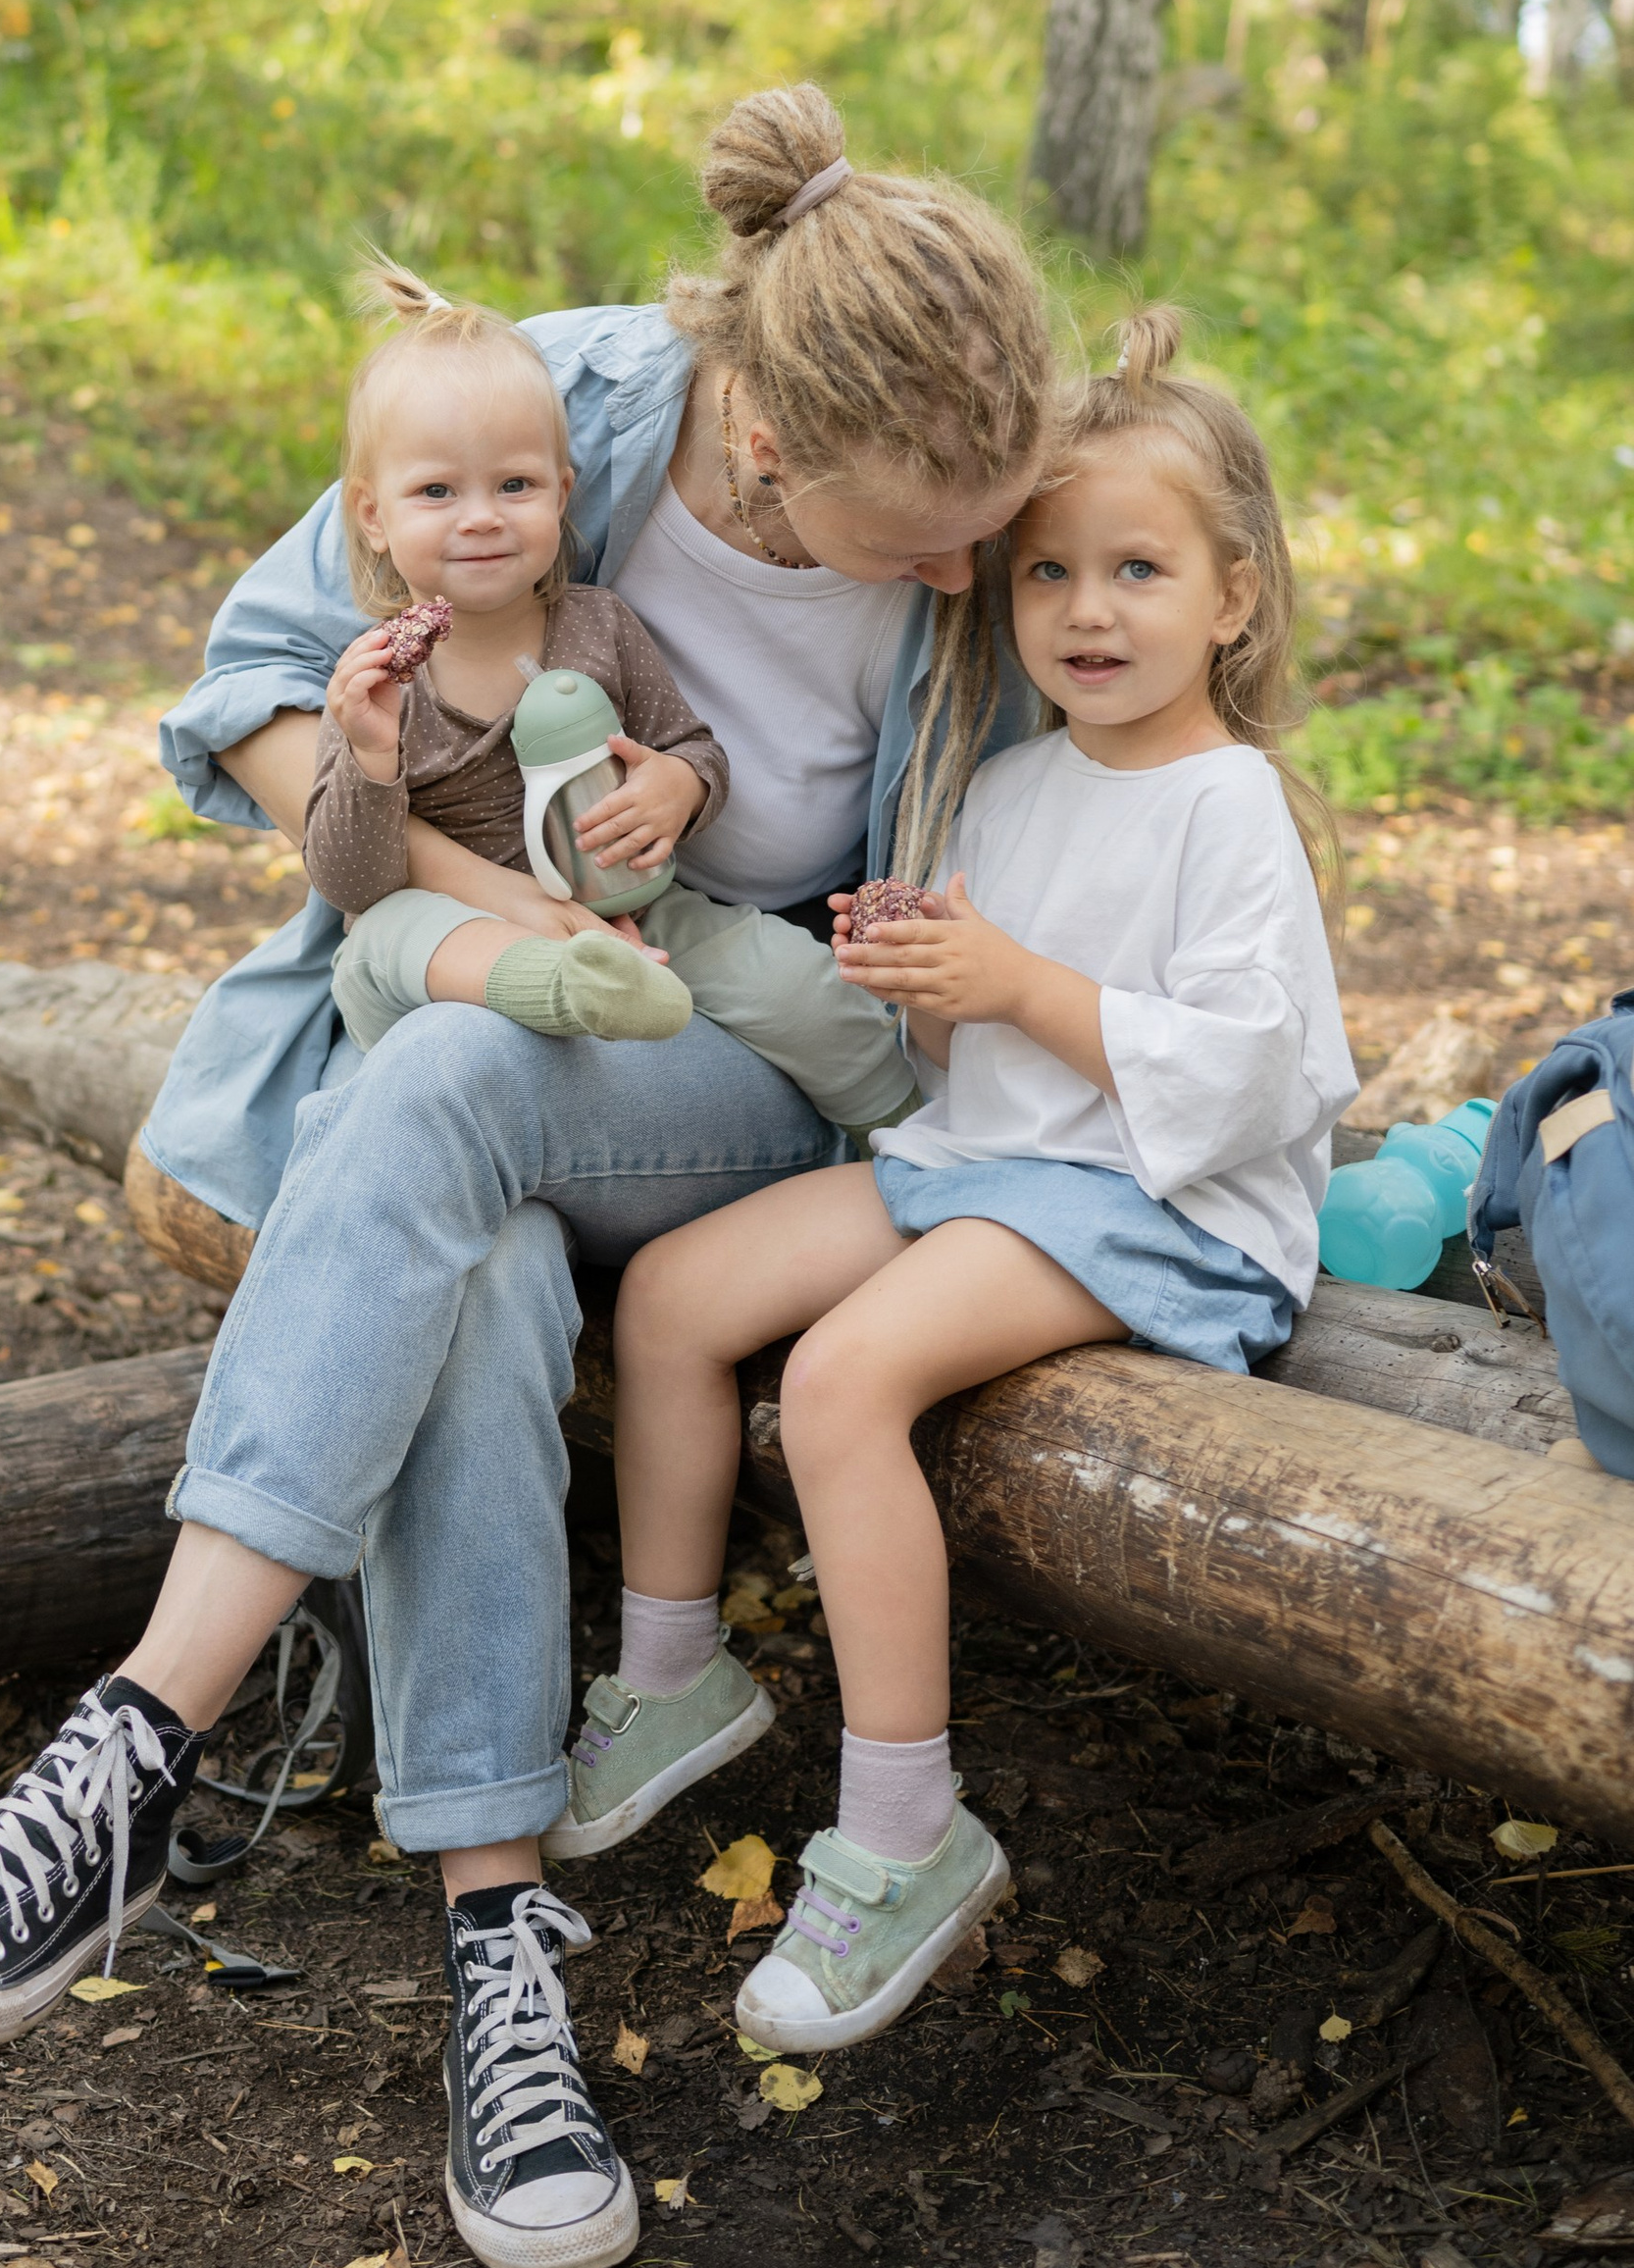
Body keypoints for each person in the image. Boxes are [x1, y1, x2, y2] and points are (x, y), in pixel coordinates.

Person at [0, 84, 1059, 2268]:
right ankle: (507, 1960)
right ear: (760, 431)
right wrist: (471, 882)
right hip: (483, 1045)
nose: (974, 574)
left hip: (747, 1098)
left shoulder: (984, 528)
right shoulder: (536, 411)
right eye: (922, 536)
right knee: (471, 1250)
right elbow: (244, 700)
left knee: (450, 1086)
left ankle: (130, 1746)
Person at [565, 310, 1353, 2056]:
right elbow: (963, 1065)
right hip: (991, 1162)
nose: (1086, 608)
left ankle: (910, 1830)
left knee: (844, 1380)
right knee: (677, 1296)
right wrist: (915, 978)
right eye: (1049, 572)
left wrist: (1008, 989)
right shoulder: (1004, 781)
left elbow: (1254, 1078)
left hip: (1167, 1209)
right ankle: (676, 1674)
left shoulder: (1232, 807)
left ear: (1235, 594)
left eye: (1139, 568)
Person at [304, 261, 918, 1133]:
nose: (479, 516)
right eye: (436, 492)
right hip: (450, 928)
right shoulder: (376, 680)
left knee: (793, 983)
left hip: (626, 909)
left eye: (513, 486)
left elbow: (692, 744)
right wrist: (368, 756)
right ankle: (562, 986)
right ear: (372, 515)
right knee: (386, 938)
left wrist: (680, 786)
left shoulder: (597, 624)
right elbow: (351, 878)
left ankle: (905, 1133)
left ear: (562, 492)